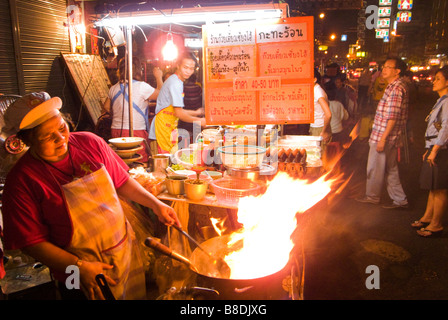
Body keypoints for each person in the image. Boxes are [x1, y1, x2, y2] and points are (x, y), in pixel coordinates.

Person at [1, 94, 180, 300]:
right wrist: (79, 267)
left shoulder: (90, 143)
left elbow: (121, 181)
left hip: (123, 254)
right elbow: (31, 242)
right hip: (73, 271)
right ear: (27, 140)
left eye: (61, 128)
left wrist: (156, 205)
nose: (60, 139)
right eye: (47, 137)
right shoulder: (21, 181)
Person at [356, 57, 409, 209]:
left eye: (388, 67)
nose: (383, 70)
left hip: (384, 137)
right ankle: (400, 199)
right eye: (383, 66)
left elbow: (392, 117)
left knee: (375, 167)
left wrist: (383, 139)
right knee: (390, 169)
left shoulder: (397, 89)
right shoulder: (392, 86)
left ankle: (372, 196)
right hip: (385, 136)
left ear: (397, 71)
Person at [103, 57, 163, 163]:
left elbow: (106, 107)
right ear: (138, 70)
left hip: (116, 130)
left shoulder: (114, 88)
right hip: (135, 130)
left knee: (122, 161)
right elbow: (163, 95)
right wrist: (159, 77)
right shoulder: (141, 87)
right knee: (139, 160)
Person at [413, 66, 448, 237]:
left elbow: (445, 128)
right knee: (432, 187)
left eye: (438, 79)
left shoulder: (447, 101)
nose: (434, 81)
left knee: (440, 188)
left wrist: (434, 150)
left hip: (441, 150)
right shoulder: (441, 100)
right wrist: (429, 149)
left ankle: (436, 225)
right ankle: (427, 217)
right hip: (433, 147)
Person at [149, 53, 206, 155]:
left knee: (172, 159)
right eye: (185, 67)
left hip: (169, 127)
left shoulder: (177, 81)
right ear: (178, 65)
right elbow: (179, 114)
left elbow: (176, 110)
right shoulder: (175, 83)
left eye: (191, 68)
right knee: (164, 162)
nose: (188, 71)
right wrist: (199, 121)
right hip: (162, 128)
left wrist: (196, 112)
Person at [310, 69, 332, 145]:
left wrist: (324, 131)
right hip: (318, 127)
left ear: (314, 79)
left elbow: (328, 114)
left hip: (319, 128)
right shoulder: (315, 90)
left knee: (319, 155)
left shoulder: (317, 92)